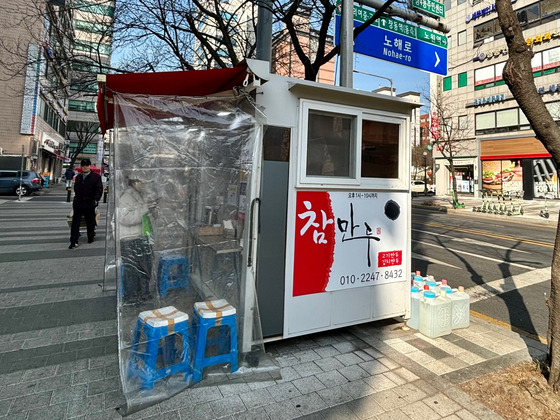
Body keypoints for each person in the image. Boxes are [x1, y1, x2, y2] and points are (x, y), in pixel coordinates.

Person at [118, 173, 154, 304]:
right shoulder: (126, 197)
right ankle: (132, 297)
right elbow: (125, 218)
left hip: (141, 235)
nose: (144, 185)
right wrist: (145, 208)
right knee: (132, 270)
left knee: (145, 266)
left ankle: (143, 293)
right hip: (129, 238)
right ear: (135, 182)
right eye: (142, 182)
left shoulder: (138, 195)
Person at [69, 159, 103, 249]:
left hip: (89, 203)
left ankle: (91, 237)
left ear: (89, 166)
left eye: (86, 165)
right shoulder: (78, 177)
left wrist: (96, 199)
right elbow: (76, 188)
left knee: (90, 222)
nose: (84, 167)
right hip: (78, 203)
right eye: (83, 165)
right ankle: (73, 241)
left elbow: (99, 189)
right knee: (75, 223)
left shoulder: (96, 177)